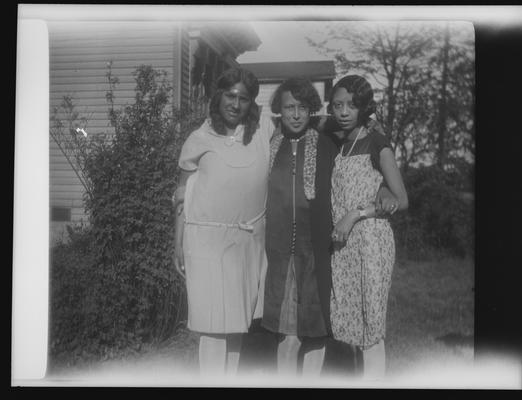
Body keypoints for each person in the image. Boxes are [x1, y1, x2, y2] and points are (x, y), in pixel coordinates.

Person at [261, 77, 396, 378]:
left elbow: (369, 150)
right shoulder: (269, 142)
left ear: (311, 111)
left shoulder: (328, 140)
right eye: (288, 108)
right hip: (281, 252)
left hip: (319, 252)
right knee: (288, 335)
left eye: (302, 108)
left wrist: (386, 186)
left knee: (316, 332)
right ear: (278, 111)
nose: (295, 114)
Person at [172, 67, 273, 376]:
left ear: (251, 103)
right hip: (206, 243)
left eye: (243, 98)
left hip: (247, 244)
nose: (235, 104)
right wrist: (177, 244)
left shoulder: (263, 132)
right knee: (213, 325)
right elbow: (181, 197)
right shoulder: (199, 139)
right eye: (230, 95)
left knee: (236, 325)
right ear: (218, 97)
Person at [327, 75, 408, 380]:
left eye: (352, 105)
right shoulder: (340, 140)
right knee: (351, 323)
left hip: (372, 242)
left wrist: (354, 214)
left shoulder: (377, 142)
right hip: (344, 246)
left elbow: (401, 199)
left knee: (371, 324)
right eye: (337, 105)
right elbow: (316, 120)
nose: (343, 111)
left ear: (364, 107)